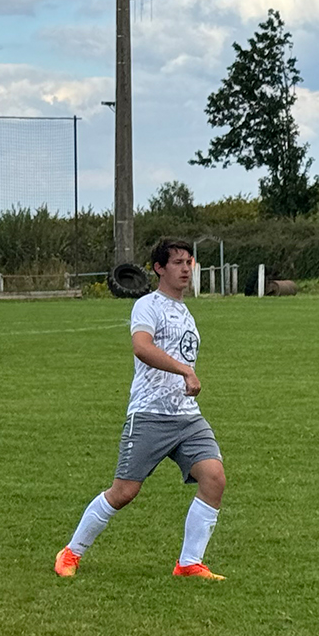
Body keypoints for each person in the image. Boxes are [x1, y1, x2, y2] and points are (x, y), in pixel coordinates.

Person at [54, 237, 227, 581]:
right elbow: (141, 347)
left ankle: (189, 563)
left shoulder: (185, 312)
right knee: (124, 492)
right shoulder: (148, 305)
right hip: (150, 414)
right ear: (159, 268)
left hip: (187, 416)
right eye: (177, 262)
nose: (185, 268)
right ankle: (70, 552)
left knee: (214, 478)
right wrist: (185, 370)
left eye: (189, 262)